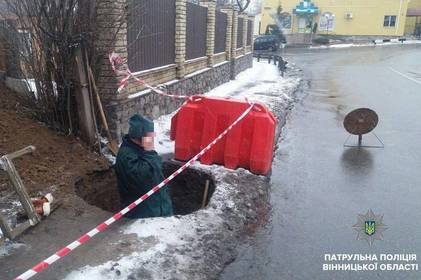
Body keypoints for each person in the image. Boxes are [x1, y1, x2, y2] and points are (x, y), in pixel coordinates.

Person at [115, 114, 173, 218]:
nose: (151, 139)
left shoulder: (143, 149)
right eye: (149, 136)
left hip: (160, 209)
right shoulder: (127, 156)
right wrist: (150, 150)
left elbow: (157, 168)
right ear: (141, 136)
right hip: (143, 215)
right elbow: (144, 177)